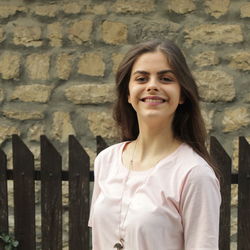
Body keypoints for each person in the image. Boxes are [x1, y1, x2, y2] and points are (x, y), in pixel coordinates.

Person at [88, 39, 221, 250]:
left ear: (182, 95)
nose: (152, 86)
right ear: (128, 94)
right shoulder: (107, 160)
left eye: (166, 79)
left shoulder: (194, 174)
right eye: (141, 78)